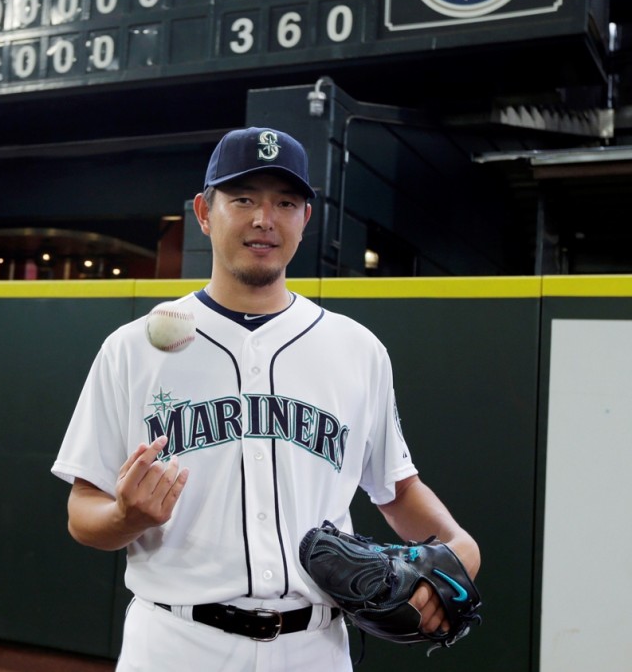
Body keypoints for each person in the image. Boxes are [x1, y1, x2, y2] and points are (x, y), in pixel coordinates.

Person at [51, 127, 480, 671]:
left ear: (305, 218)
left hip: (315, 648)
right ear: (205, 212)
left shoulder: (357, 349)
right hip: (177, 642)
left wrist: (462, 544)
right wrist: (125, 516)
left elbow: (396, 490)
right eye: (244, 199)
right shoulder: (132, 348)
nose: (264, 219)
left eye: (284, 202)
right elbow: (81, 514)